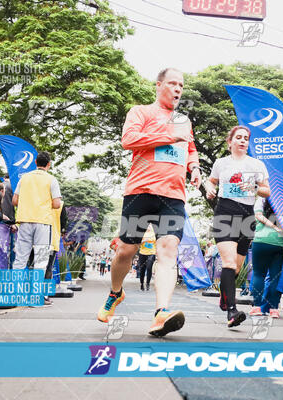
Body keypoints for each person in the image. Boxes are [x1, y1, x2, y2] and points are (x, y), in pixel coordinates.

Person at [96, 68, 202, 338]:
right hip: (140, 190)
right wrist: (169, 136)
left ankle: (160, 314)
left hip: (174, 195)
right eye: (173, 84)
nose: (178, 89)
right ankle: (115, 292)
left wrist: (195, 168)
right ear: (159, 86)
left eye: (181, 84)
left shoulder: (183, 120)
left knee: (167, 252)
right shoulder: (140, 112)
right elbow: (128, 140)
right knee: (125, 251)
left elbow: (190, 149)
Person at [206, 125, 270, 328]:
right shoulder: (221, 163)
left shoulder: (257, 164)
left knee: (237, 267)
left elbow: (267, 191)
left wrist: (253, 187)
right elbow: (211, 181)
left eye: (246, 138)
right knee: (229, 263)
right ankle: (232, 312)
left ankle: (225, 297)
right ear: (230, 141)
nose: (243, 141)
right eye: (238, 137)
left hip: (247, 215)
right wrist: (210, 190)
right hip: (225, 211)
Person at [12, 151, 62, 270]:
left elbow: (14, 201)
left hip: (24, 221)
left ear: (35, 162)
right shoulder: (52, 179)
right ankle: (36, 288)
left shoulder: (24, 178)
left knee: (20, 259)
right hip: (43, 222)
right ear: (48, 164)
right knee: (41, 261)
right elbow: (57, 204)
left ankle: (15, 287)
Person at [250, 198, 283, 318]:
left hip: (261, 240)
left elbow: (258, 215)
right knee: (275, 277)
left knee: (258, 274)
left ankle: (256, 307)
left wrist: (271, 226)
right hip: (280, 242)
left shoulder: (261, 199)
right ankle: (274, 309)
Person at [137, 225, 156, 291]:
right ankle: (141, 283)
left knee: (149, 268)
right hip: (142, 253)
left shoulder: (154, 233)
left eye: (150, 226)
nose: (149, 227)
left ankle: (148, 283)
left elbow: (157, 243)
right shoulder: (142, 233)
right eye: (148, 225)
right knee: (142, 269)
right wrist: (144, 240)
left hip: (151, 253)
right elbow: (138, 244)